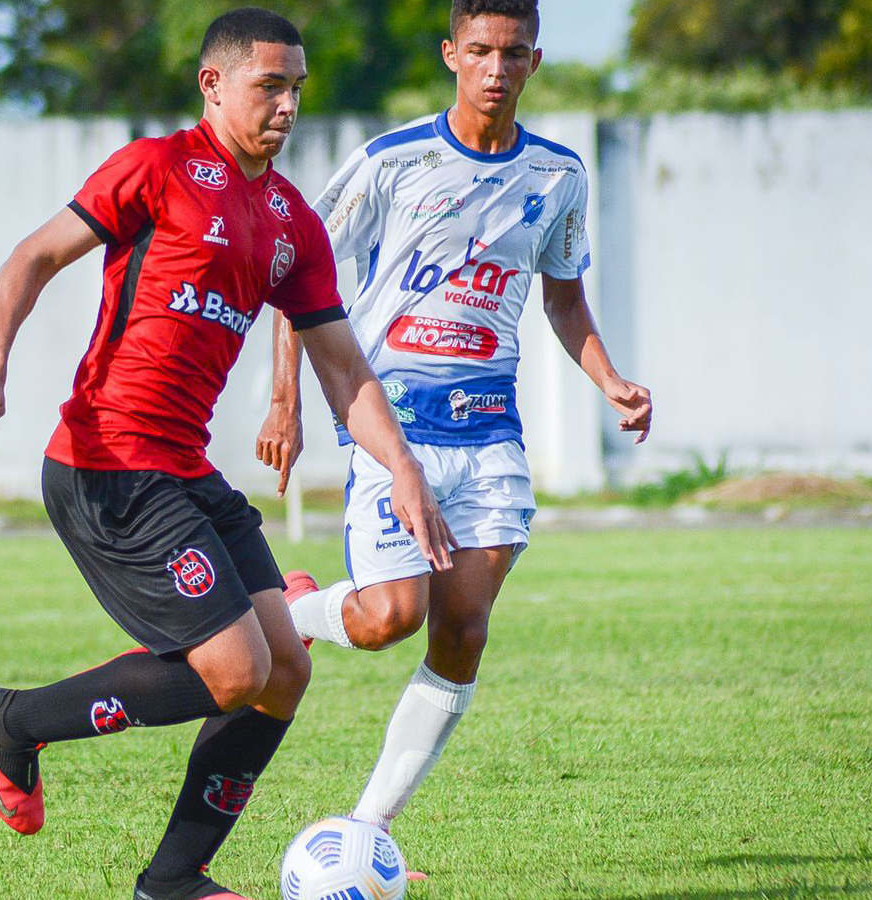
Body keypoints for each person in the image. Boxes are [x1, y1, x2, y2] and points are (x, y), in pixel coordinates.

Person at [0, 9, 454, 900]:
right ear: (212, 84)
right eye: (270, 84)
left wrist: (402, 467)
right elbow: (32, 259)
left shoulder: (291, 219)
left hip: (182, 468)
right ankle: (12, 721)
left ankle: (173, 880)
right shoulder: (157, 169)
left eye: (298, 86)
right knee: (236, 670)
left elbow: (342, 363)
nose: (288, 102)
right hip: (107, 465)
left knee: (285, 671)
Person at [258, 0, 653, 869]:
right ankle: (299, 611)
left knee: (462, 630)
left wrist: (611, 379)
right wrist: (283, 398)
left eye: (513, 54)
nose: (495, 68)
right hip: (389, 415)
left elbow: (562, 296)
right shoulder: (394, 163)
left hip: (490, 429)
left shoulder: (559, 176)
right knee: (388, 617)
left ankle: (368, 829)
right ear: (451, 53)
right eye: (479, 50)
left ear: (536, 60)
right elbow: (299, 272)